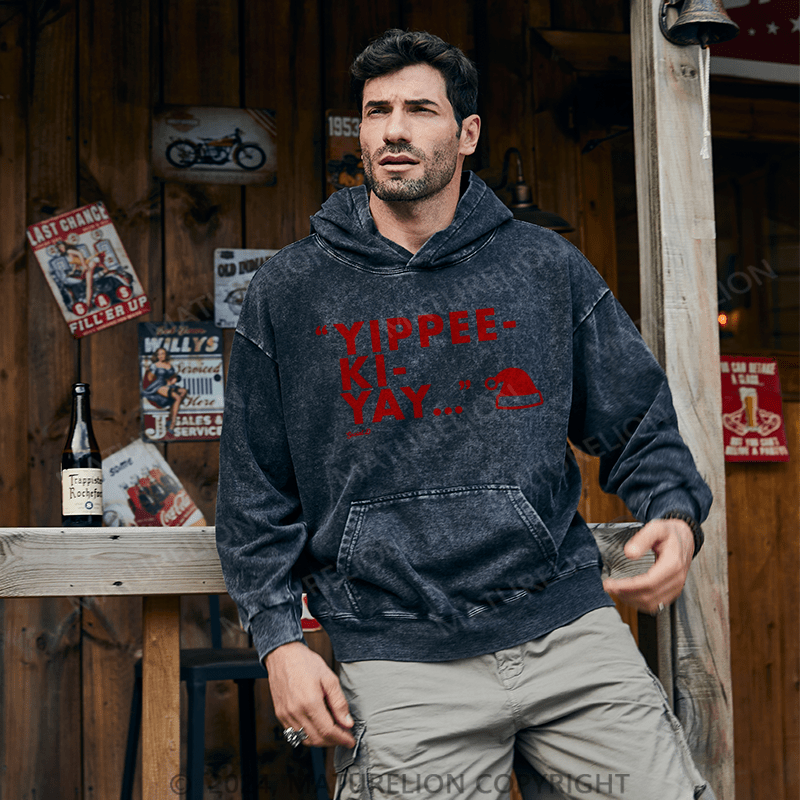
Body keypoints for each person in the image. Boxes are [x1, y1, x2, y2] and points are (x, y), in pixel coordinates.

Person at [216, 29, 715, 800]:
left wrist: (675, 515)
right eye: (377, 111)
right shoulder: (291, 291)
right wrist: (279, 642)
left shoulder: (543, 267)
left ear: (468, 132)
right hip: (400, 658)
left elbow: (638, 420)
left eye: (420, 109)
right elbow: (254, 497)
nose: (393, 130)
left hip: (567, 636)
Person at [142, 347, 188, 435]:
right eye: (159, 354)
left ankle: (170, 417)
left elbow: (173, 376)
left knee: (183, 391)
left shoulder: (169, 365)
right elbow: (150, 379)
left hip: (168, 385)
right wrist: (149, 371)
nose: (161, 356)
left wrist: (174, 379)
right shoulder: (154, 365)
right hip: (158, 386)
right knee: (177, 397)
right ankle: (172, 424)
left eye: (162, 353)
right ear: (156, 356)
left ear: (166, 354)